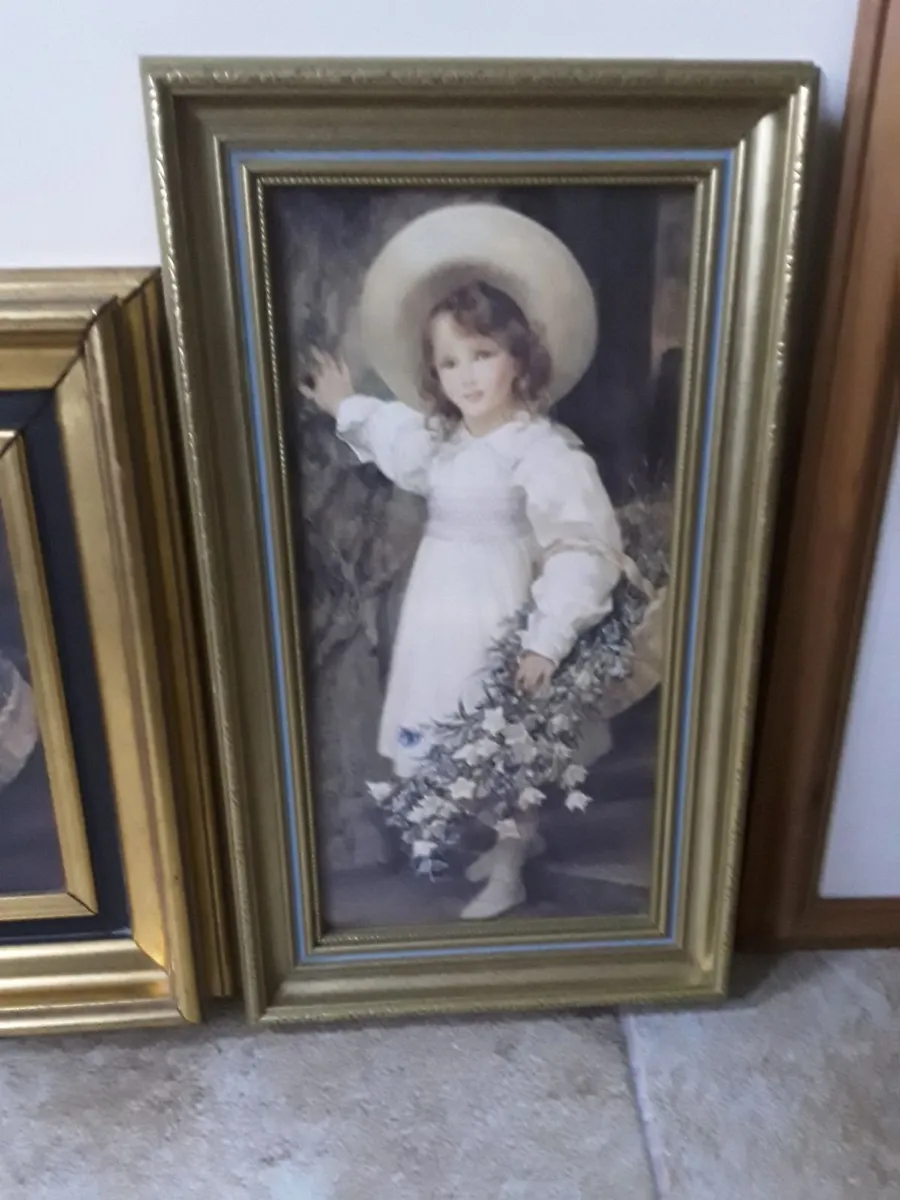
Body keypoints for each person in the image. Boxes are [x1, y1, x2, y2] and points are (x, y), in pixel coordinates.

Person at [302, 203, 623, 919]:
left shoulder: (541, 449)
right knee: (448, 736)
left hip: (498, 606)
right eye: (450, 362)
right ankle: (508, 842)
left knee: (502, 742)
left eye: (483, 355)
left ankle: (510, 863)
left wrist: (546, 637)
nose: (468, 376)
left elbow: (582, 544)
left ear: (519, 355)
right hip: (437, 612)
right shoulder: (444, 442)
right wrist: (346, 405)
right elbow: (397, 439)